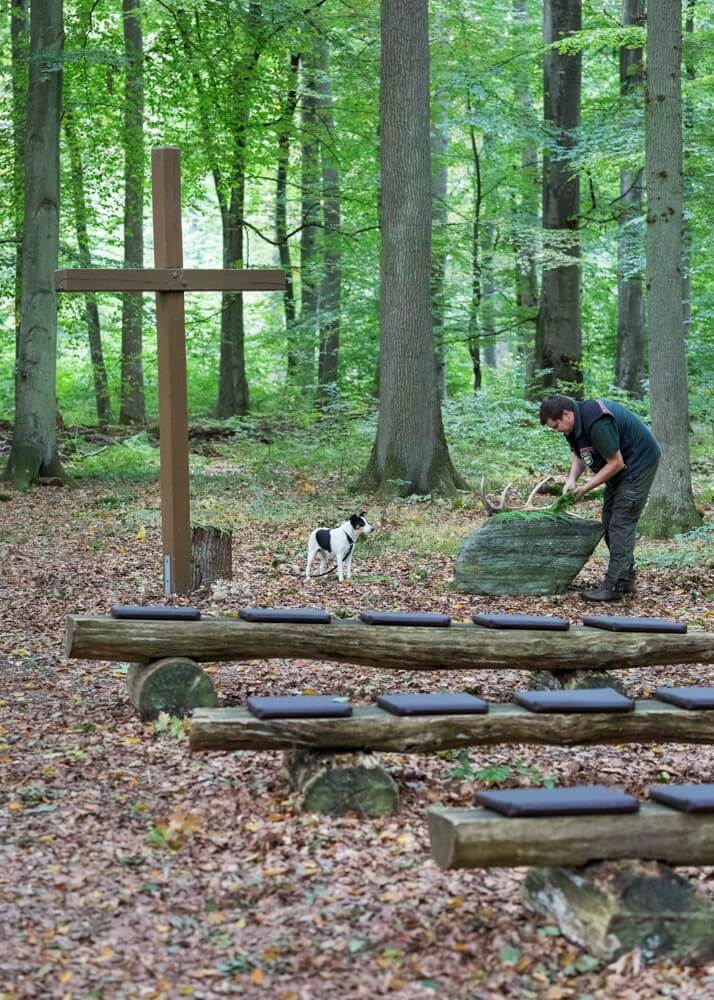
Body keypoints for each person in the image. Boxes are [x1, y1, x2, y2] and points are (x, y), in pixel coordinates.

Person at [539, 394, 661, 602]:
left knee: (620, 523)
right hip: (620, 471)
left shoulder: (597, 422)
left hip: (638, 465)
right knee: (608, 519)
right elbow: (580, 453)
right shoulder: (573, 426)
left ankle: (614, 586)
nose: (556, 430)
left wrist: (585, 488)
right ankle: (626, 576)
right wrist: (571, 480)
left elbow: (616, 463)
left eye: (556, 425)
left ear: (566, 414)